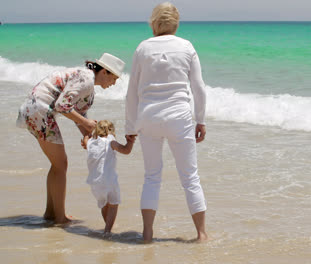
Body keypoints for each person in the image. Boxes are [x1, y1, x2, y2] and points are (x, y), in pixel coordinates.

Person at [125, 2, 208, 242]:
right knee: (190, 177)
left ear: (154, 23)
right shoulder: (186, 46)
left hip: (148, 116)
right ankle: (201, 235)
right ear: (175, 23)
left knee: (152, 176)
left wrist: (130, 128)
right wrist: (200, 120)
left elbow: (131, 92)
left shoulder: (143, 48)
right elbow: (199, 88)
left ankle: (148, 233)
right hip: (179, 116)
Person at [16, 53, 125, 224]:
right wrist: (86, 123)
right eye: (114, 78)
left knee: (58, 164)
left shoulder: (88, 84)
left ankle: (51, 214)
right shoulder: (86, 80)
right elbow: (62, 106)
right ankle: (60, 218)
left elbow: (78, 113)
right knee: (61, 164)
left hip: (38, 110)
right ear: (104, 72)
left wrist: (89, 137)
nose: (114, 83)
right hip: (40, 110)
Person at [82, 120, 136, 233]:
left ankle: (108, 227)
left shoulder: (90, 142)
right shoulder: (110, 141)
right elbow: (126, 151)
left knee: (104, 204)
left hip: (94, 182)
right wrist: (130, 141)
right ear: (110, 131)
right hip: (108, 179)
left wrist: (87, 134)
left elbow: (85, 139)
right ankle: (107, 231)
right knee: (113, 203)